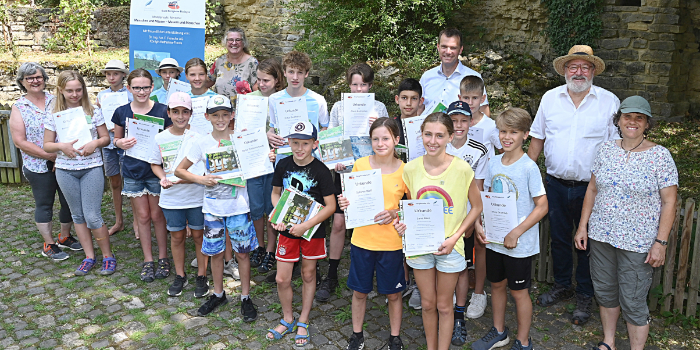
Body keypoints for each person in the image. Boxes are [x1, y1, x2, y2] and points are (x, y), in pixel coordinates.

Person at [574, 96, 678, 350]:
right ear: (618, 120)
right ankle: (609, 341)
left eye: (639, 118)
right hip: (601, 236)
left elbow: (670, 203)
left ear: (647, 124)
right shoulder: (606, 149)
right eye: (627, 117)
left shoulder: (660, 156)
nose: (632, 122)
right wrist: (582, 226)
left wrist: (660, 243)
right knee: (606, 292)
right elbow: (592, 189)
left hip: (638, 242)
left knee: (633, 299)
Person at [527, 44, 620, 325]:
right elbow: (537, 139)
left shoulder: (609, 102)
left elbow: (616, 147)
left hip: (591, 188)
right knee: (558, 237)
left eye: (584, 67)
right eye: (573, 67)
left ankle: (584, 293)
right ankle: (562, 284)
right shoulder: (550, 98)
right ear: (565, 70)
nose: (578, 72)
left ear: (593, 71)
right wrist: (525, 172)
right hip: (555, 183)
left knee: (588, 242)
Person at [394, 113, 483, 350]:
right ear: (421, 135)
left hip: (451, 247)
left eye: (439, 135)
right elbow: (412, 207)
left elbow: (477, 206)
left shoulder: (462, 169)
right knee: (427, 304)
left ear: (450, 137)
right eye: (428, 134)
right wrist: (403, 224)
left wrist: (455, 236)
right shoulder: (410, 169)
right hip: (421, 246)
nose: (433, 141)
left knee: (445, 306)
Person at [175, 95, 258, 320]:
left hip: (239, 207)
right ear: (207, 117)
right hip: (212, 208)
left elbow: (258, 160)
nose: (220, 119)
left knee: (242, 253)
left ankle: (245, 297)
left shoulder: (241, 139)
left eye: (225, 115)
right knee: (215, 252)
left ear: (232, 116)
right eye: (215, 115)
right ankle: (219, 293)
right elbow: (179, 171)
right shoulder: (202, 142)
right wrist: (201, 180)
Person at [472, 107, 548, 350]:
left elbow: (542, 206)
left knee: (519, 292)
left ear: (525, 134)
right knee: (496, 285)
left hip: (519, 244)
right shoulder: (493, 162)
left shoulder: (528, 167)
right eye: (503, 131)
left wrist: (516, 232)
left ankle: (523, 341)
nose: (506, 137)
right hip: (495, 239)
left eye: (513, 132)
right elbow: (487, 198)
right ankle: (499, 331)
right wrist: (479, 222)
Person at [318, 62, 390, 302]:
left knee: (371, 221)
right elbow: (331, 137)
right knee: (339, 223)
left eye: (364, 85)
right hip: (345, 172)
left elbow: (388, 139)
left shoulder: (379, 107)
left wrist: (377, 125)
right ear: (349, 85)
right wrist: (335, 161)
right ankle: (331, 273)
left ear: (370, 86)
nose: (359, 90)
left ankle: (373, 276)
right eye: (354, 84)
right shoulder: (339, 107)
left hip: (371, 172)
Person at [337, 117, 408, 350]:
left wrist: (394, 212)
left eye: (386, 138)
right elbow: (351, 199)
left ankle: (394, 337)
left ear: (396, 140)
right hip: (363, 241)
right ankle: (357, 334)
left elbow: (411, 206)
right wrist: (345, 202)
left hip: (391, 244)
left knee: (394, 295)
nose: (380, 143)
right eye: (375, 139)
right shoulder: (360, 165)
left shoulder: (406, 171)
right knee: (359, 292)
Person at [266, 121, 336, 347]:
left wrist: (306, 226)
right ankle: (287, 318)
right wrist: (278, 214)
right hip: (287, 230)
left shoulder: (322, 171)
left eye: (304, 143)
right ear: (288, 142)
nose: (299, 148)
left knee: (308, 274)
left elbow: (331, 206)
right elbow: (275, 193)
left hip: (311, 232)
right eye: (295, 142)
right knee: (281, 278)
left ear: (314, 144)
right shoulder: (283, 164)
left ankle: (303, 319)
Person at [43, 71, 115, 276]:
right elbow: (47, 145)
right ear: (60, 91)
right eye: (69, 91)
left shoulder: (93, 110)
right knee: (78, 215)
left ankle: (108, 256)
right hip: (66, 170)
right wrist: (61, 146)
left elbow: (105, 139)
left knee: (93, 216)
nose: (74, 94)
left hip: (91, 168)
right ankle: (89, 256)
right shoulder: (53, 114)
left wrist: (95, 143)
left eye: (78, 89)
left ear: (83, 89)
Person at [9, 62, 79, 261]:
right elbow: (19, 141)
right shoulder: (19, 107)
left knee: (68, 201)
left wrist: (60, 154)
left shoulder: (56, 100)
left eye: (38, 77)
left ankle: (64, 236)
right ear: (22, 82)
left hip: (64, 160)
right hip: (37, 164)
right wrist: (48, 155)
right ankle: (48, 244)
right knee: (44, 203)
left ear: (45, 79)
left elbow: (70, 125)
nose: (35, 81)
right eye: (29, 78)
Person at [113, 68, 173, 282]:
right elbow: (116, 139)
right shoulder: (122, 111)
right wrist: (120, 143)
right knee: (143, 217)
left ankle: (164, 257)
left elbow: (172, 140)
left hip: (156, 171)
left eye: (145, 87)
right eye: (136, 87)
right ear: (128, 88)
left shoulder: (163, 111)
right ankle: (148, 259)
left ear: (152, 87)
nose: (141, 91)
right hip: (133, 170)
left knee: (158, 216)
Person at [148, 92, 208, 298]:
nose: (180, 116)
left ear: (191, 113)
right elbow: (155, 163)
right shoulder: (160, 137)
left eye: (185, 112)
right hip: (172, 196)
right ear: (169, 113)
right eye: (176, 112)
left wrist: (190, 178)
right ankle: (180, 274)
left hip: (196, 195)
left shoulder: (200, 138)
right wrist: (162, 177)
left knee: (199, 235)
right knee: (177, 236)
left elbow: (204, 168)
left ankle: (202, 275)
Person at [442, 101, 489, 346]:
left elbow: (478, 190)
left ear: (471, 122)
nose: (459, 126)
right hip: (440, 218)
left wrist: (474, 221)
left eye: (463, 120)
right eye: (454, 121)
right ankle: (445, 307)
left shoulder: (479, 150)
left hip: (464, 220)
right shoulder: (438, 144)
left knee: (461, 267)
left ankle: (459, 315)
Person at [458, 75, 504, 323]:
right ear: (459, 98)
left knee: (480, 242)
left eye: (475, 98)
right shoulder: (454, 122)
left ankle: (479, 293)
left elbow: (501, 152)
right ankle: (458, 287)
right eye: (466, 97)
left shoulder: (489, 125)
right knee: (460, 240)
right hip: (458, 192)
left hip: (482, 191)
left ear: (482, 99)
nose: (470, 102)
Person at [247, 58, 285, 274]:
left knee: (272, 208)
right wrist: (263, 135)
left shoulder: (282, 100)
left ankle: (271, 249)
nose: (262, 84)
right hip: (254, 161)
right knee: (256, 208)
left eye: (266, 80)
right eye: (259, 80)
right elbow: (242, 131)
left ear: (277, 79)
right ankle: (259, 246)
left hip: (276, 162)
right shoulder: (249, 100)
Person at [96, 59, 134, 237]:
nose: (111, 77)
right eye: (108, 74)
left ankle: (137, 221)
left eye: (115, 74)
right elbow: (97, 119)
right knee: (115, 182)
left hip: (127, 142)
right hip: (108, 143)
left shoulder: (131, 94)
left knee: (132, 181)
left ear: (123, 75)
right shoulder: (101, 95)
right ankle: (119, 221)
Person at [267, 50, 329, 150]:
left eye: (300, 72)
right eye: (291, 72)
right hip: (284, 154)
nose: (295, 77)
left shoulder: (318, 100)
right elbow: (273, 128)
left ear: (306, 74)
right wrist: (269, 134)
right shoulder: (274, 99)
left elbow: (325, 128)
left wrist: (316, 141)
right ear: (284, 73)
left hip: (310, 156)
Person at [419, 28, 489, 117]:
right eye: (444, 47)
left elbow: (484, 114)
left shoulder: (473, 77)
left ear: (460, 50)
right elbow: (418, 110)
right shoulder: (427, 77)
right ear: (438, 47)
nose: (448, 52)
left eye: (453, 48)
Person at [206, 27, 258, 100]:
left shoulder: (252, 63)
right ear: (225, 42)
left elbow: (258, 91)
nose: (234, 43)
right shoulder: (220, 61)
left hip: (243, 109)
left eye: (238, 40)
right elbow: (207, 83)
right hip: (221, 109)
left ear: (243, 42)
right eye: (230, 40)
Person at [393, 78, 424, 147]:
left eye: (414, 98)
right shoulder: (390, 125)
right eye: (404, 98)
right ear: (397, 99)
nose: (408, 103)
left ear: (420, 101)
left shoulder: (426, 126)